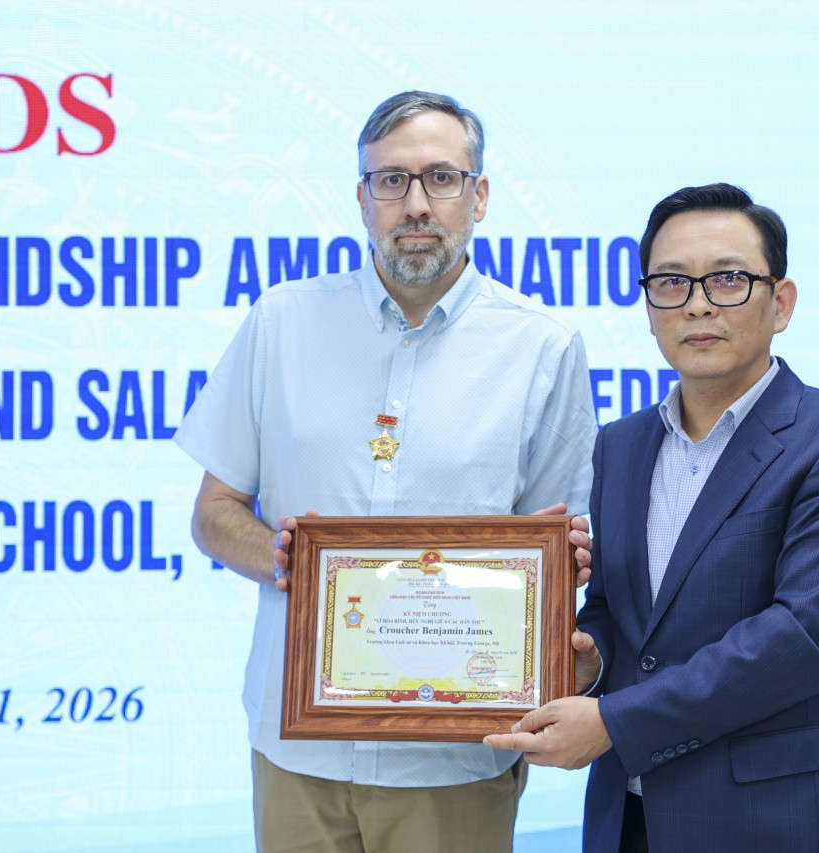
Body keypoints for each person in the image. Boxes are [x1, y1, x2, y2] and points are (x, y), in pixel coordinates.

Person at [173, 91, 597, 853]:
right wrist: (278, 558)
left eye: (441, 178)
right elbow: (214, 511)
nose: (416, 203)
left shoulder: (543, 347)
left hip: (453, 756)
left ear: (481, 196)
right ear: (362, 199)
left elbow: (555, 551)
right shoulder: (281, 321)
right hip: (295, 746)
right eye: (391, 181)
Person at [484, 183, 819, 852]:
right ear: (649, 306)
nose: (700, 303)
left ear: (782, 302)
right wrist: (587, 661)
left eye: (730, 279)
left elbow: (802, 640)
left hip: (774, 822)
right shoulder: (620, 445)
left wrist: (615, 721)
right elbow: (619, 616)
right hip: (630, 818)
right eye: (672, 282)